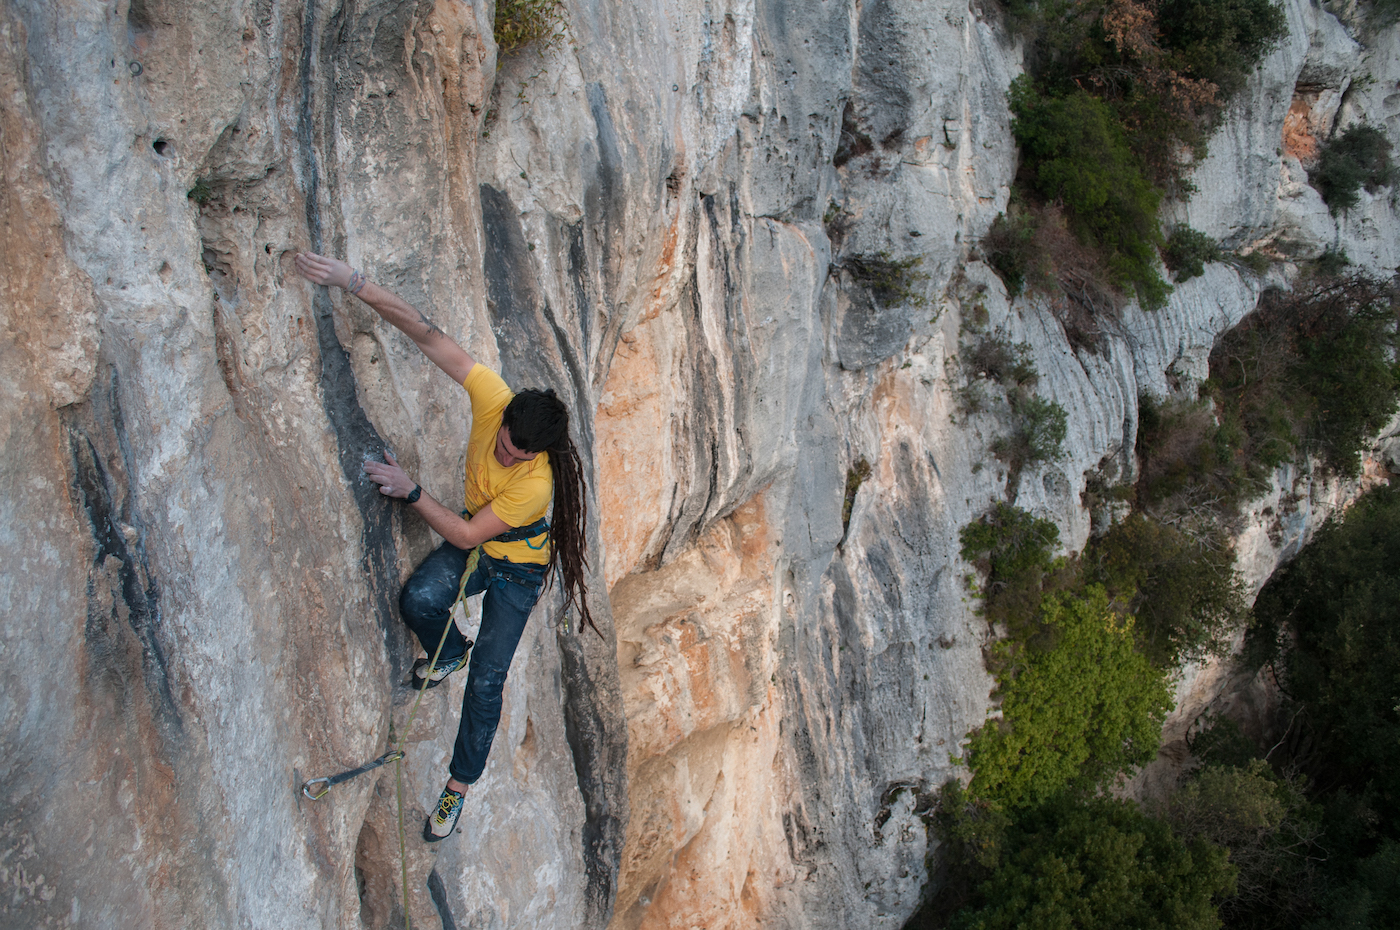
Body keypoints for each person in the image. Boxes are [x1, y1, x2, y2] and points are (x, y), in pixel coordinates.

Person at [293, 251, 595, 842]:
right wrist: (354, 282)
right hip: (479, 539)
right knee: (420, 601)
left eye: (519, 454)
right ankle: (447, 649)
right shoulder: (492, 398)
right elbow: (427, 335)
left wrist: (411, 492)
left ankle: (456, 788)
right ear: (504, 415)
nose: (506, 455)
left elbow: (461, 534)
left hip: (515, 572)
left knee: (487, 681)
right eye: (505, 444)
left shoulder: (534, 486)